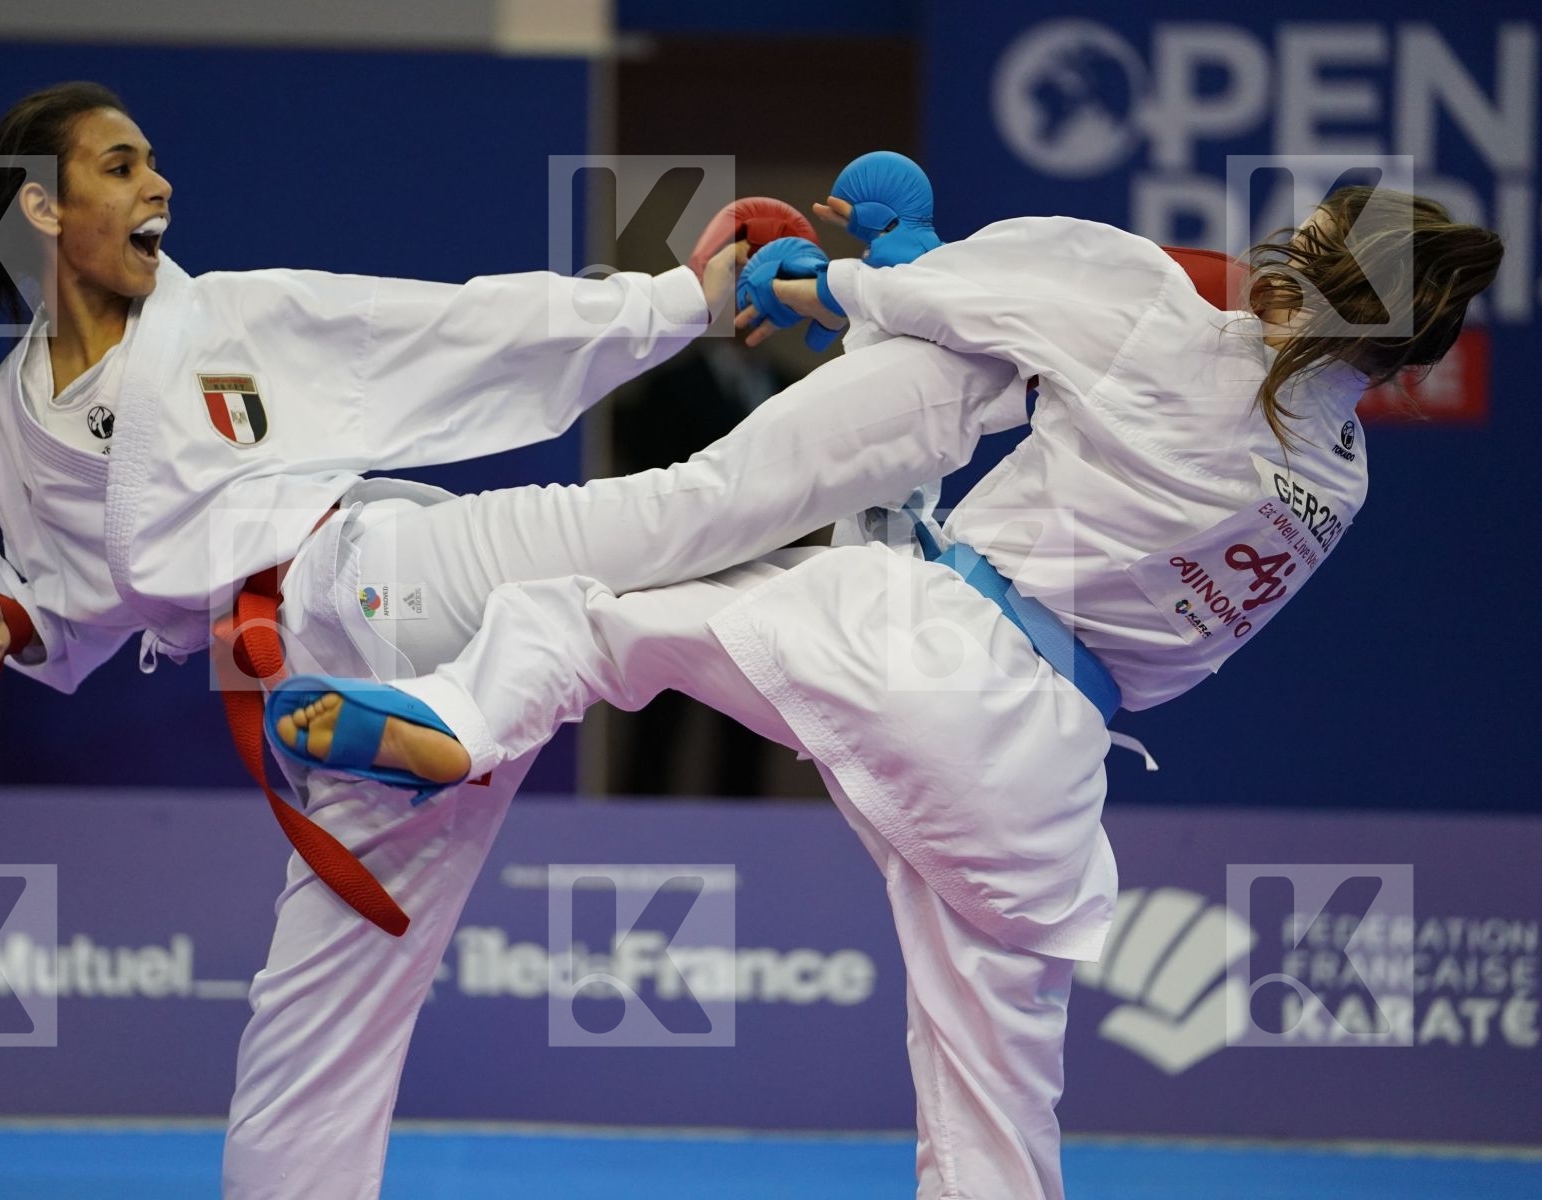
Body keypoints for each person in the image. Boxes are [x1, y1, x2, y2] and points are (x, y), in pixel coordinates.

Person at [0, 85, 1040, 1198]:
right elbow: (77, 595)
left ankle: (909, 417)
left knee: (671, 532)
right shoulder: (12, 418)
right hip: (316, 669)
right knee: (324, 1005)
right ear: (43, 208)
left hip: (381, 575)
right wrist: (0, 622)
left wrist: (676, 301)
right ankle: (893, 512)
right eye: (123, 165)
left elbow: (451, 328)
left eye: (156, 160)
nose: (160, 182)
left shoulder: (225, 318)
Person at [267, 186, 1505, 1199]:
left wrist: (827, 281)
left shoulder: (1171, 330)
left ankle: (459, 720)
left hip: (935, 645)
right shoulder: (1340, 481)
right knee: (997, 1114)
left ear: (1311, 262)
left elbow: (957, 302)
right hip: (1051, 774)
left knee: (599, 623)